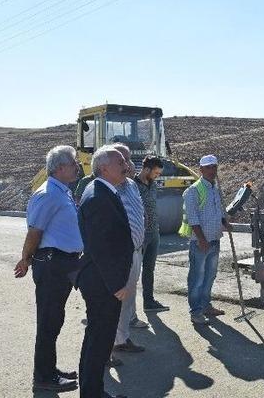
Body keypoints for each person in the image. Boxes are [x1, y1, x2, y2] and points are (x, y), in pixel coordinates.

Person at [14, 145, 82, 393]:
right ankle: (43, 377)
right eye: (74, 163)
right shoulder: (48, 194)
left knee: (55, 320)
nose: (77, 167)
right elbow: (35, 231)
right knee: (48, 321)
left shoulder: (61, 191)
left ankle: (49, 369)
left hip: (62, 263)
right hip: (52, 264)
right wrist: (25, 259)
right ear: (60, 167)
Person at [75, 145, 132, 398]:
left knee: (97, 339)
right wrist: (116, 284)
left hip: (101, 279)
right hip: (102, 282)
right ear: (104, 168)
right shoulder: (98, 196)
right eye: (120, 162)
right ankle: (92, 393)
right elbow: (100, 248)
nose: (126, 166)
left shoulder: (103, 190)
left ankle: (92, 391)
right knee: (99, 340)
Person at [182, 154, 233, 325]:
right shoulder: (193, 190)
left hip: (215, 239)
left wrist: (225, 223)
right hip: (200, 242)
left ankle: (205, 305)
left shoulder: (215, 189)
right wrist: (202, 240)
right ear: (201, 169)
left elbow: (219, 212)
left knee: (210, 276)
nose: (212, 170)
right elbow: (193, 218)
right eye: (208, 167)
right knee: (197, 278)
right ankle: (195, 311)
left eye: (214, 167)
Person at [110, 144, 148, 355]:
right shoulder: (108, 188)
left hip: (135, 251)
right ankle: (108, 345)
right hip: (119, 256)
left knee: (127, 299)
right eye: (122, 160)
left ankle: (121, 338)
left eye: (128, 159)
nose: (128, 164)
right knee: (115, 300)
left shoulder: (132, 185)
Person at [135, 155, 170, 312]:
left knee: (149, 269)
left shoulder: (153, 185)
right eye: (156, 173)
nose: (157, 176)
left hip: (154, 232)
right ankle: (127, 307)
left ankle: (148, 302)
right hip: (139, 234)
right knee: (133, 270)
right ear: (147, 169)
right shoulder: (132, 185)